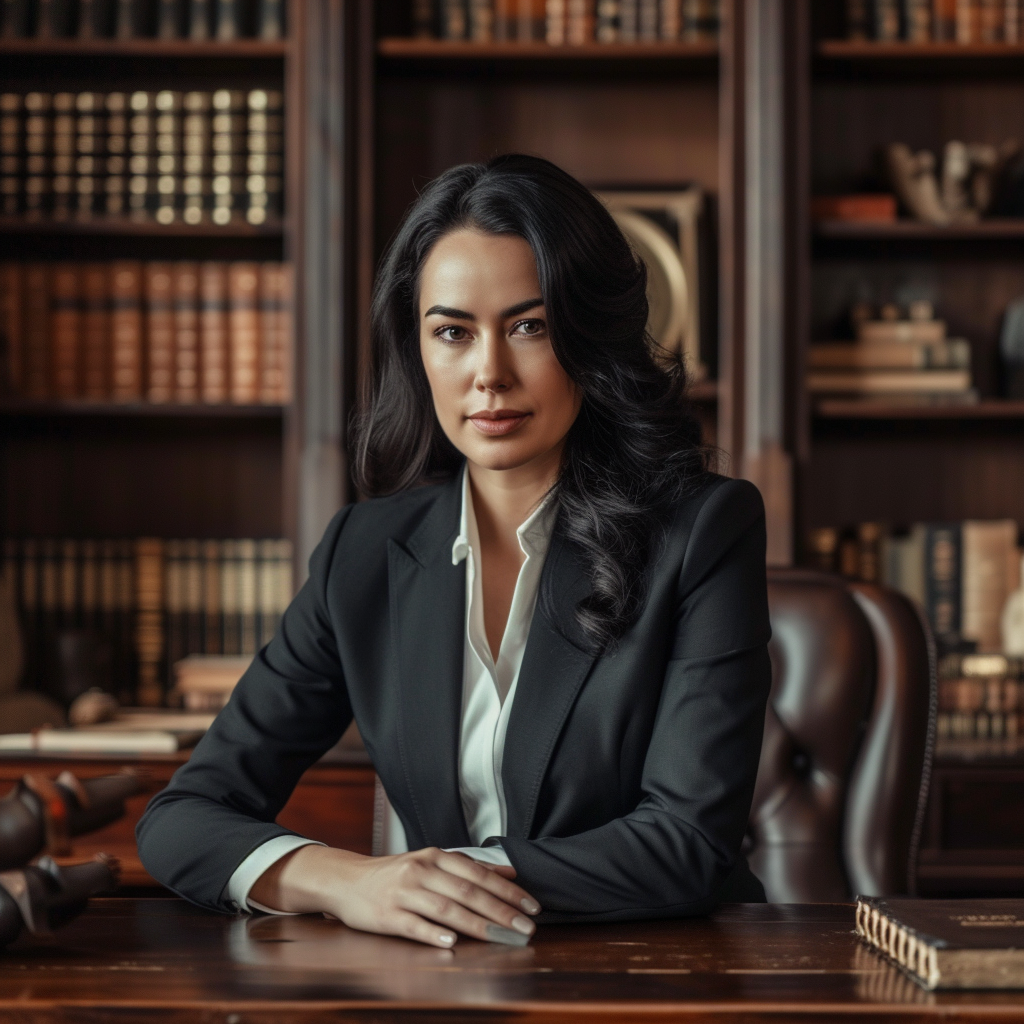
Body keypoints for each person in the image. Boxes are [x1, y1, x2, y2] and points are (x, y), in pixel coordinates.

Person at [137, 154, 772, 949]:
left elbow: (687, 845)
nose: (489, 374)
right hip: (443, 981)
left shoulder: (704, 531)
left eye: (529, 327)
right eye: (453, 332)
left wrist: (429, 882)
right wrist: (351, 880)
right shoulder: (363, 554)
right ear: (419, 350)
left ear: (590, 337)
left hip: (659, 974)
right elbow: (182, 818)